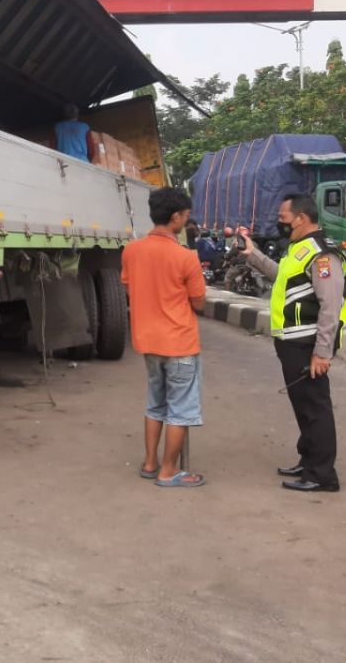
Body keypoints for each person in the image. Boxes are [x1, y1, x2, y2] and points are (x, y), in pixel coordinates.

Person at [239, 193, 346, 493]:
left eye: (283, 219)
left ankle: (322, 475)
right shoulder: (299, 250)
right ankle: (309, 461)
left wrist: (322, 352)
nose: (280, 223)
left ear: (301, 218)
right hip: (292, 343)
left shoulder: (322, 255)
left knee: (315, 408)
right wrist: (253, 254)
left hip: (308, 344)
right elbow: (282, 279)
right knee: (303, 406)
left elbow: (331, 306)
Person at [121, 187, 207, 487]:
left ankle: (149, 462)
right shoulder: (186, 257)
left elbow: (131, 288)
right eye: (185, 216)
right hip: (179, 343)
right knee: (181, 409)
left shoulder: (131, 251)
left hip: (148, 342)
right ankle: (169, 471)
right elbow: (198, 303)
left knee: (155, 403)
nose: (186, 221)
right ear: (175, 218)